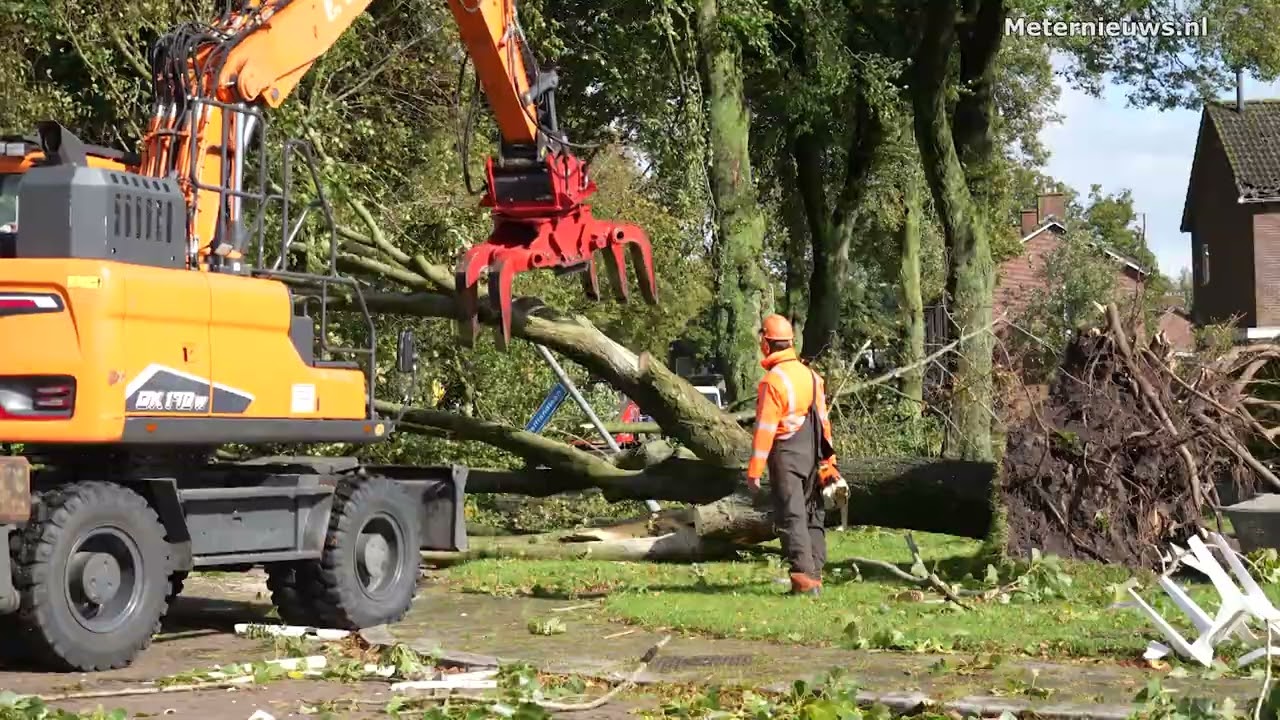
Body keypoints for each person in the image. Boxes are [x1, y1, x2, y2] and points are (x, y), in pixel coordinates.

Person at [745, 314, 837, 597]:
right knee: (812, 513)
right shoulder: (811, 375)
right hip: (811, 452)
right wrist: (829, 461)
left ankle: (804, 579)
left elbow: (765, 429)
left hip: (785, 455)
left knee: (792, 515)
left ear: (767, 343)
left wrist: (754, 470)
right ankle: (816, 572)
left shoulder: (773, 381)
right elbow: (823, 421)